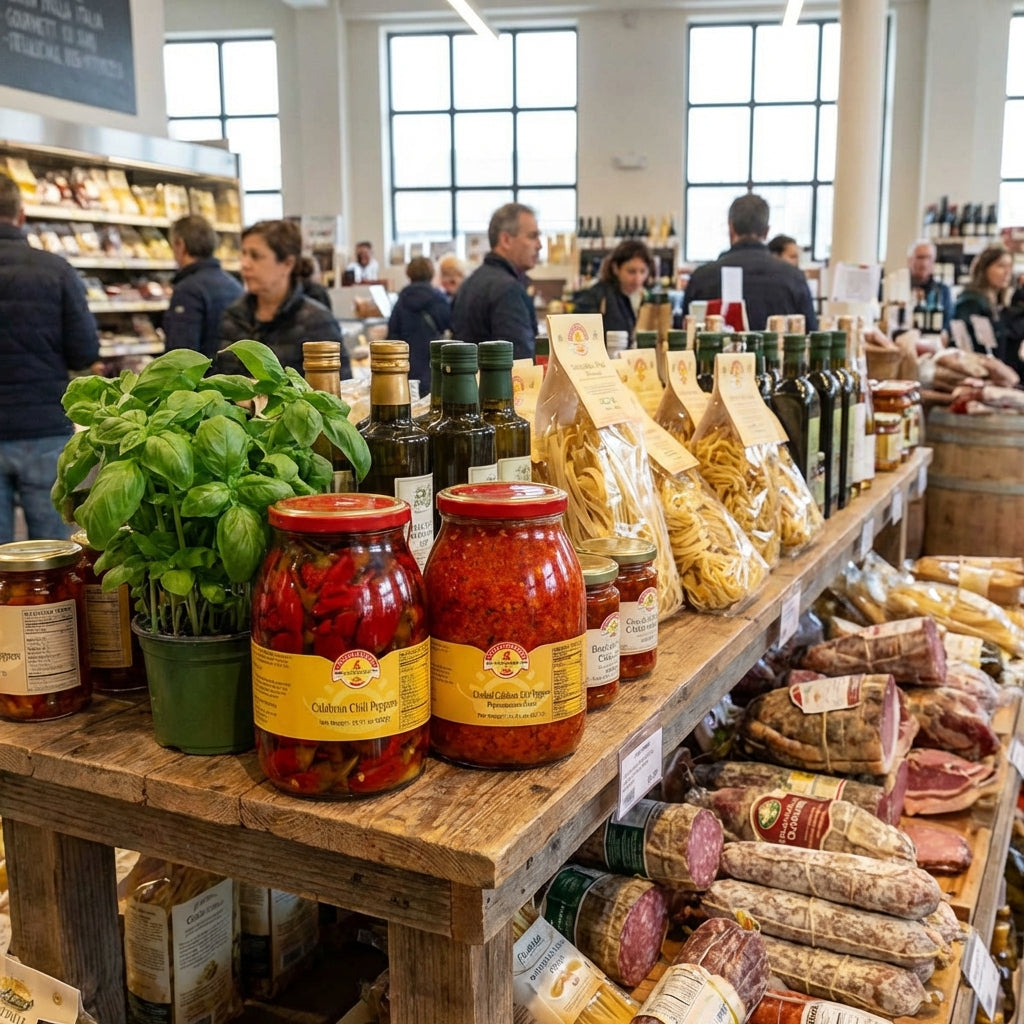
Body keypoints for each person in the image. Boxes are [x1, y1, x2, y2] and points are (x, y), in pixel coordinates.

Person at [0, 173, 99, 542]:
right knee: (52, 553)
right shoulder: (56, 271)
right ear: (21, 216)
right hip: (43, 425)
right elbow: (85, 351)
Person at [218, 219, 349, 377]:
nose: (245, 264)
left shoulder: (317, 323)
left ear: (287, 263)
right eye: (243, 254)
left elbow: (338, 390)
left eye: (255, 256)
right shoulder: (233, 316)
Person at [682, 193, 818, 331]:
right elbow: (811, 335)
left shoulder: (701, 278)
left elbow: (684, 340)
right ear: (766, 232)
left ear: (731, 227)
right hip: (776, 352)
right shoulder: (794, 278)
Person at [451, 202, 542, 360]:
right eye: (532, 236)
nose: (539, 245)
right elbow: (520, 363)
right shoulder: (508, 290)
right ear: (506, 240)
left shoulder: (470, 283)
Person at [164, 215, 244, 360]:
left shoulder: (188, 290)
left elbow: (181, 357)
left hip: (203, 380)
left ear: (180, 245)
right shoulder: (235, 285)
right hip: (232, 379)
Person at [953, 244, 1024, 378]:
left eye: (1009, 267)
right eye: (1001, 266)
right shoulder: (971, 301)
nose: (1007, 272)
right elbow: (967, 347)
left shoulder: (998, 303)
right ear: (985, 268)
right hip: (980, 375)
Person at [387, 256, 452, 397]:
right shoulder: (439, 299)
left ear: (408, 273)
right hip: (434, 367)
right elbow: (451, 327)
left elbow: (392, 335)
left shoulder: (401, 301)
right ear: (432, 273)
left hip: (406, 370)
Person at [572, 239, 654, 336]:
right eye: (631, 271)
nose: (638, 279)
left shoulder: (647, 298)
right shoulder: (595, 296)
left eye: (643, 271)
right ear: (615, 268)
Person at [907, 239, 954, 333]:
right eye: (920, 257)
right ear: (909, 260)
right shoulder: (900, 288)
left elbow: (947, 324)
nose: (924, 263)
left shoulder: (943, 291)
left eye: (929, 258)